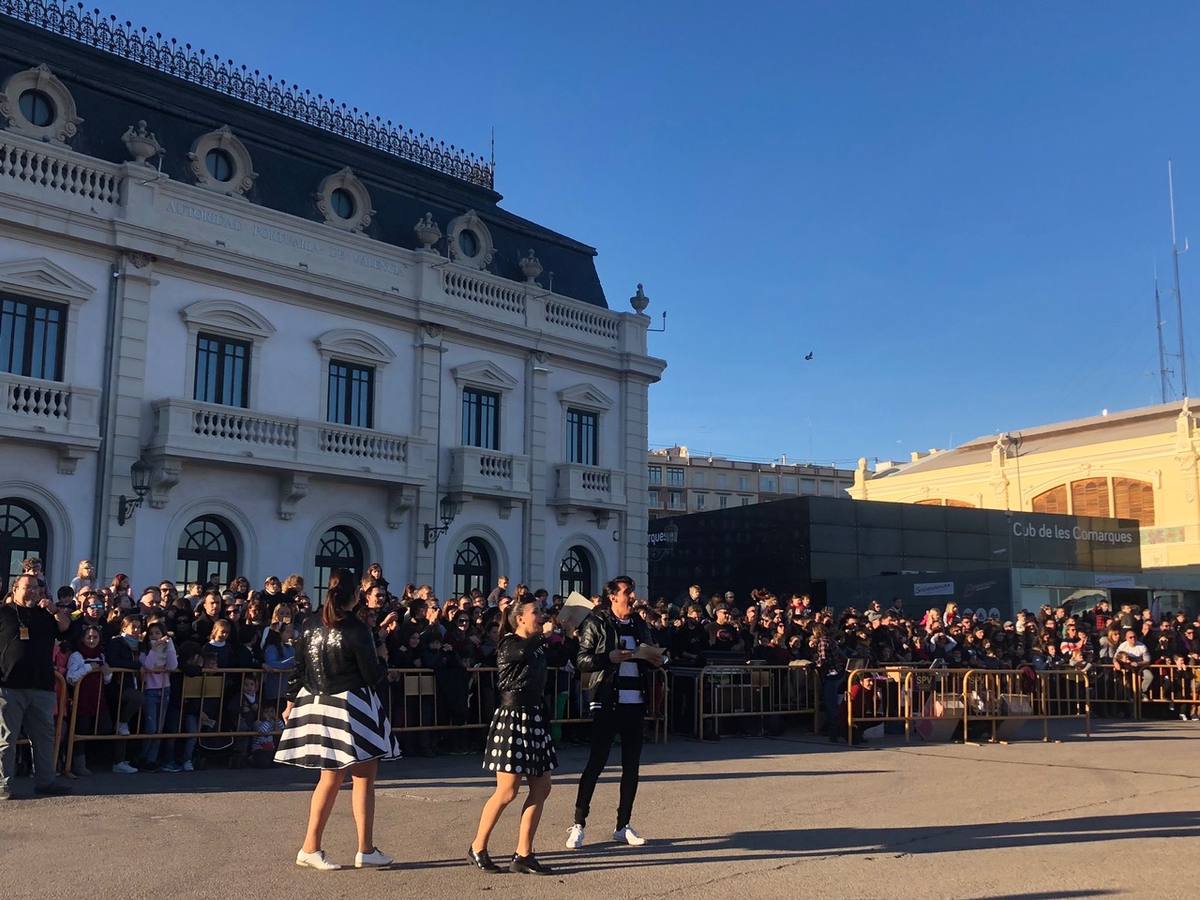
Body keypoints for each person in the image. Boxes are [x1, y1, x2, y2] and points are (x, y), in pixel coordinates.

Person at [275, 568, 399, 871]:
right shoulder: (356, 628)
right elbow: (372, 675)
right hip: (351, 704)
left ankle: (315, 846)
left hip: (317, 701)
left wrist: (291, 700)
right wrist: (383, 657)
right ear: (355, 594)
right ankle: (358, 848)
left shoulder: (310, 623)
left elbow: (298, 668)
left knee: (330, 778)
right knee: (362, 777)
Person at [567, 575, 662, 850]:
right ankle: (579, 823)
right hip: (607, 700)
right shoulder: (597, 623)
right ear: (613, 596)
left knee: (631, 767)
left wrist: (660, 659)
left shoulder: (639, 624)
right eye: (627, 592)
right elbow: (582, 660)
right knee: (596, 764)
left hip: (635, 702)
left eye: (632, 591)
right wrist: (607, 658)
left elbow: (655, 654)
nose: (632, 596)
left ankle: (623, 825)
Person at [468, 595, 558, 875]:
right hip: (513, 717)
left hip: (533, 717)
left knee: (542, 786)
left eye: (541, 612)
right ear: (520, 618)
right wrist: (544, 637)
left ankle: (524, 853)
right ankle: (477, 847)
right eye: (536, 612)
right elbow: (521, 653)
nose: (541, 616)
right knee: (507, 791)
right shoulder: (509, 643)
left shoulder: (537, 646)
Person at [0, 573, 73, 799]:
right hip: (9, 685)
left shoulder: (46, 615)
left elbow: (64, 627)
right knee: (6, 739)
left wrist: (53, 609)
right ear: (15, 589)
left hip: (42, 686)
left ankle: (45, 781)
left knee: (44, 738)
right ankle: (4, 784)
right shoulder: (3, 613)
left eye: (36, 587)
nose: (32, 591)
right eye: (27, 587)